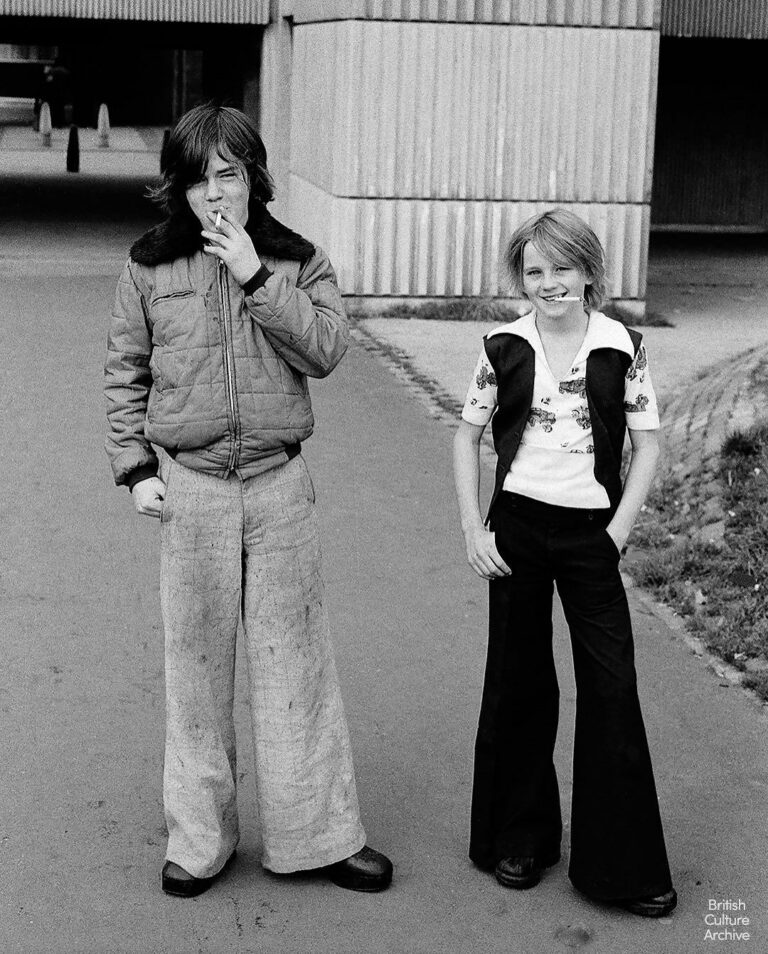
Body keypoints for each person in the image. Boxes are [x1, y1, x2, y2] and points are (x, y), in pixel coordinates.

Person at [104, 104, 392, 898]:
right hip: (190, 487)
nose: (214, 195)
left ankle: (319, 837)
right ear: (178, 188)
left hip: (278, 484)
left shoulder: (295, 260)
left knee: (297, 662)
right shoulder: (147, 267)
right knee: (195, 670)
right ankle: (199, 841)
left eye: (228, 175)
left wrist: (254, 276)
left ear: (253, 178)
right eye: (198, 179)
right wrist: (137, 468)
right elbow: (124, 372)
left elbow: (328, 350)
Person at [452, 208, 676, 917]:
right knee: (519, 682)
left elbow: (650, 445)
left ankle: (624, 866)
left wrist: (617, 532)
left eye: (562, 268)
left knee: (611, 687)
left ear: (588, 272)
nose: (548, 284)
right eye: (535, 270)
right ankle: (521, 836)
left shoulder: (620, 347)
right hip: (516, 528)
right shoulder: (502, 347)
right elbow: (466, 437)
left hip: (591, 538)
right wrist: (473, 526)